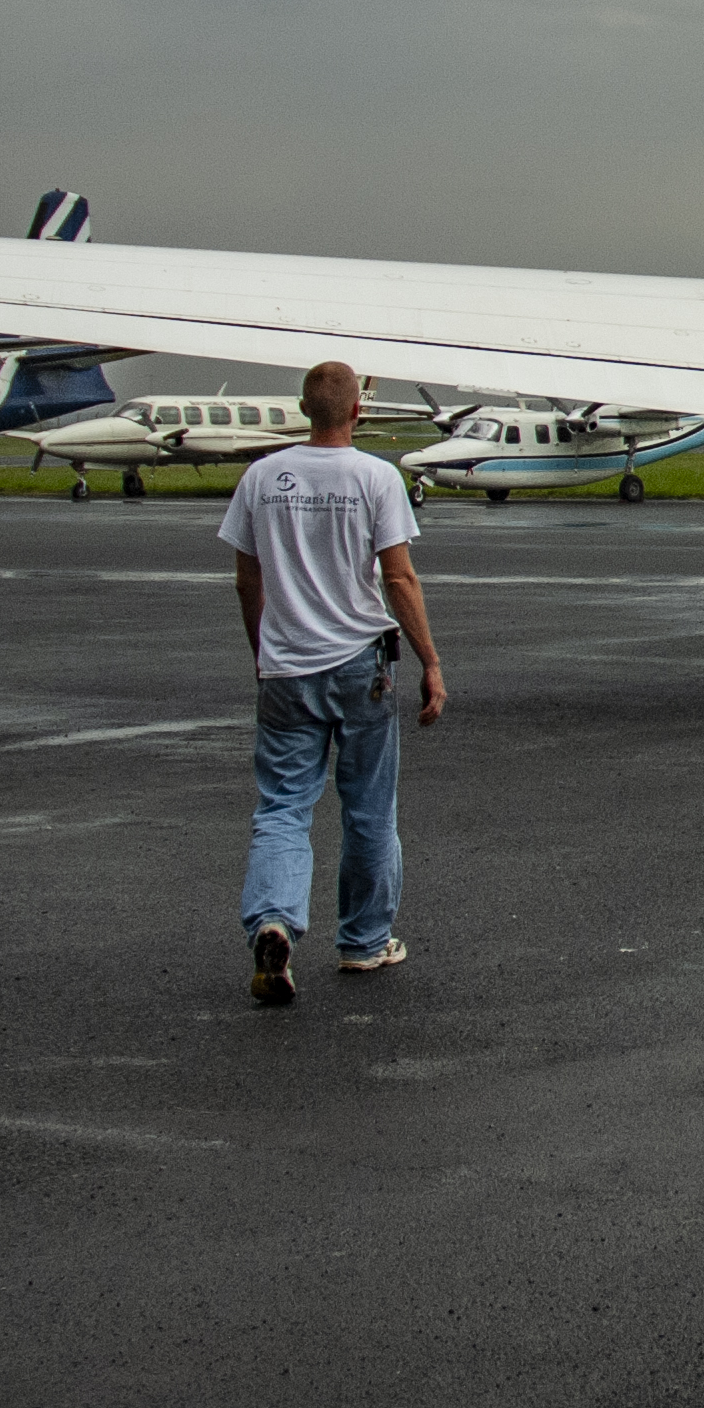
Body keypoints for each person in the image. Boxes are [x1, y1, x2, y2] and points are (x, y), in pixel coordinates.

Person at [220, 361, 447, 1001]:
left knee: (284, 806)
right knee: (369, 808)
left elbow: (247, 578)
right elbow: (398, 579)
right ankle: (365, 942)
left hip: (286, 666)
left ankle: (273, 919)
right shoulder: (377, 477)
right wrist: (430, 660)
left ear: (301, 408)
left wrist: (264, 652)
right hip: (359, 664)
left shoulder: (261, 477)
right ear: (358, 412)